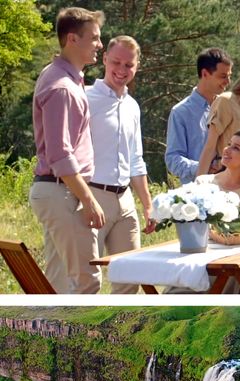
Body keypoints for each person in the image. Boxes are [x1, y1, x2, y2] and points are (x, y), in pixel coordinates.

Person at [30, 7, 107, 294]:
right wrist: (88, 200)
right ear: (73, 39)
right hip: (63, 192)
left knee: (58, 284)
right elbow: (60, 155)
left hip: (59, 191)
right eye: (95, 38)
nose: (100, 44)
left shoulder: (64, 78)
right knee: (87, 282)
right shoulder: (62, 87)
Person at [85, 35, 155, 295]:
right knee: (87, 278)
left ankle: (118, 328)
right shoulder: (85, 98)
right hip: (92, 197)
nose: (122, 70)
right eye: (116, 62)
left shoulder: (132, 107)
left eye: (129, 65)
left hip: (125, 202)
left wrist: (148, 205)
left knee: (130, 276)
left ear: (137, 66)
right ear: (104, 59)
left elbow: (136, 159)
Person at [165, 48, 232, 184]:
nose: (228, 81)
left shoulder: (227, 108)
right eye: (223, 76)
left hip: (230, 191)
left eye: (229, 76)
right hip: (197, 197)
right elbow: (173, 159)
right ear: (205, 73)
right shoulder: (180, 112)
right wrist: (202, 167)